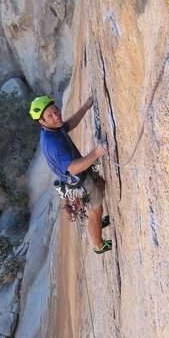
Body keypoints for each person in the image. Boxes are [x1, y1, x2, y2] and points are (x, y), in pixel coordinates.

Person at [29, 95, 112, 254]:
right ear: (41, 121)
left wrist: (86, 106)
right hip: (79, 179)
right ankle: (99, 246)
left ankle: (97, 223)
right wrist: (97, 152)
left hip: (80, 176)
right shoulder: (52, 143)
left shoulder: (53, 128)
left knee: (100, 185)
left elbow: (68, 124)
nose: (56, 116)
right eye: (50, 116)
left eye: (56, 111)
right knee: (95, 210)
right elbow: (72, 168)